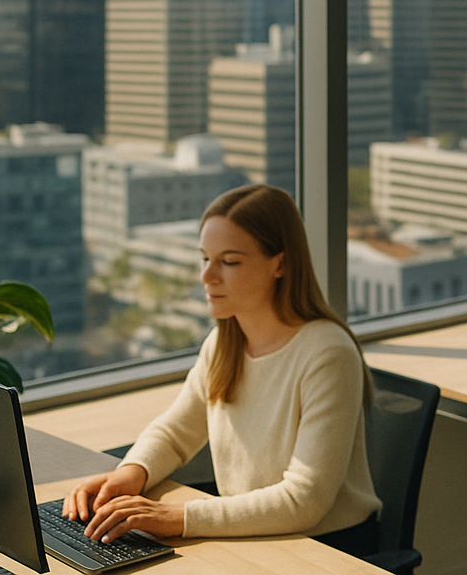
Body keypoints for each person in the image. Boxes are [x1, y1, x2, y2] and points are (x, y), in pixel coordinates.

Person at [63, 185, 382, 555]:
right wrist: (130, 474)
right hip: (253, 533)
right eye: (205, 259)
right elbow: (174, 433)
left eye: (229, 262)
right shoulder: (223, 344)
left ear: (280, 264)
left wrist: (178, 517)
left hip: (329, 548)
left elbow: (304, 500)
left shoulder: (327, 353)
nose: (207, 277)